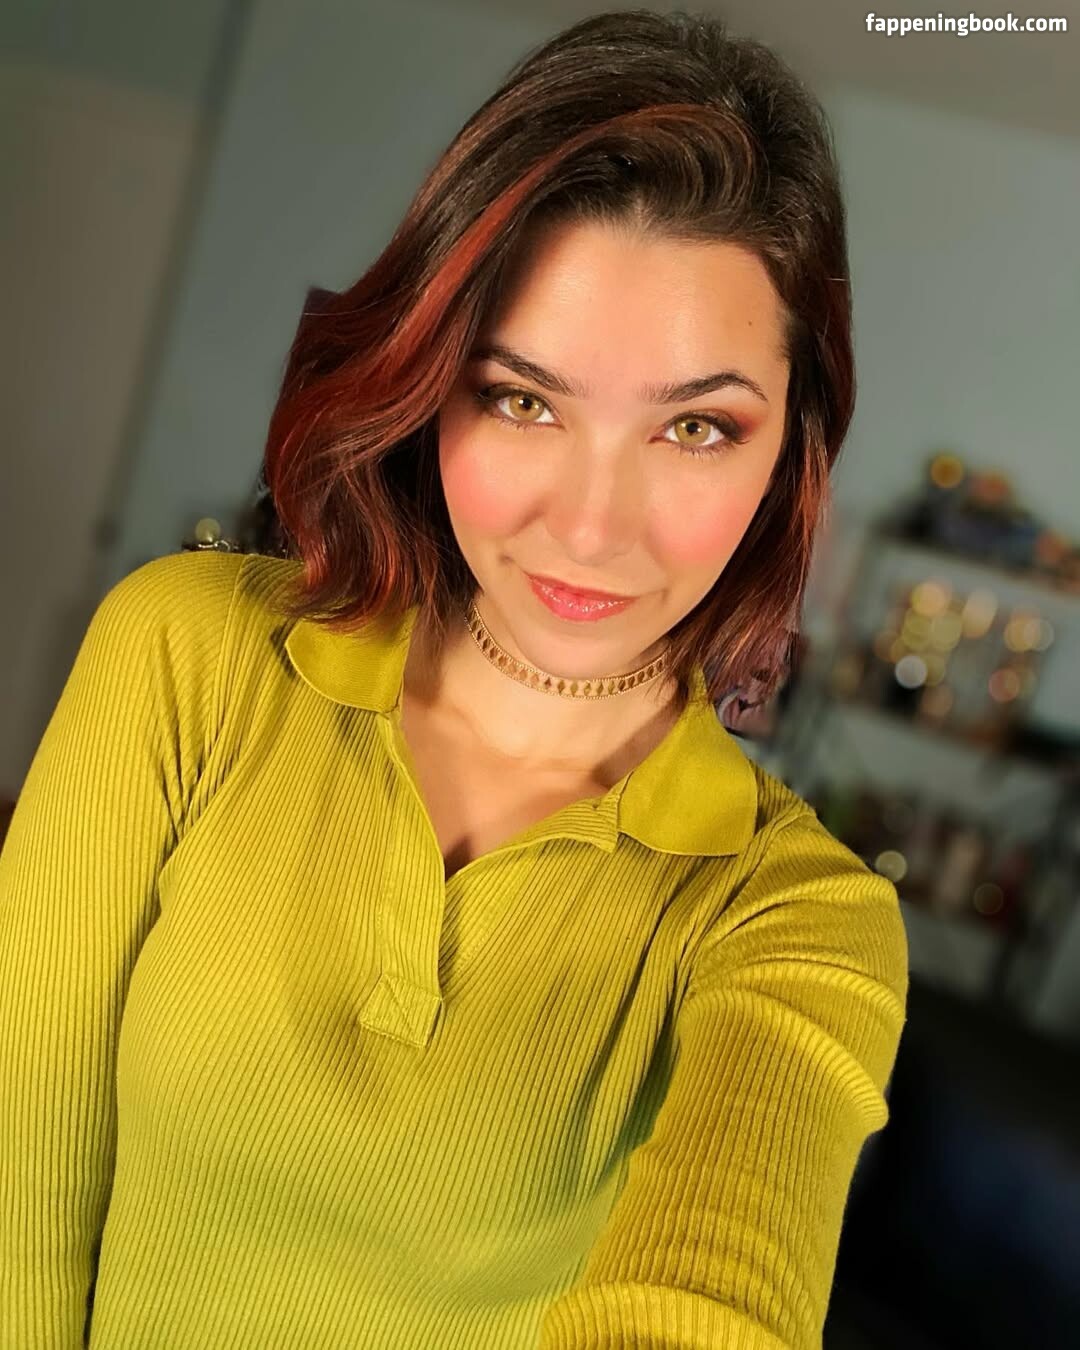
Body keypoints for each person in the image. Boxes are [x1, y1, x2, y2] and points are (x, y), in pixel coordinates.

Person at [0, 9, 908, 1348]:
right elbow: (19, 1188)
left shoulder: (792, 917)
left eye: (696, 426)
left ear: (792, 452)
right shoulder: (185, 654)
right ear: (430, 388)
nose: (589, 527)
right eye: (523, 399)